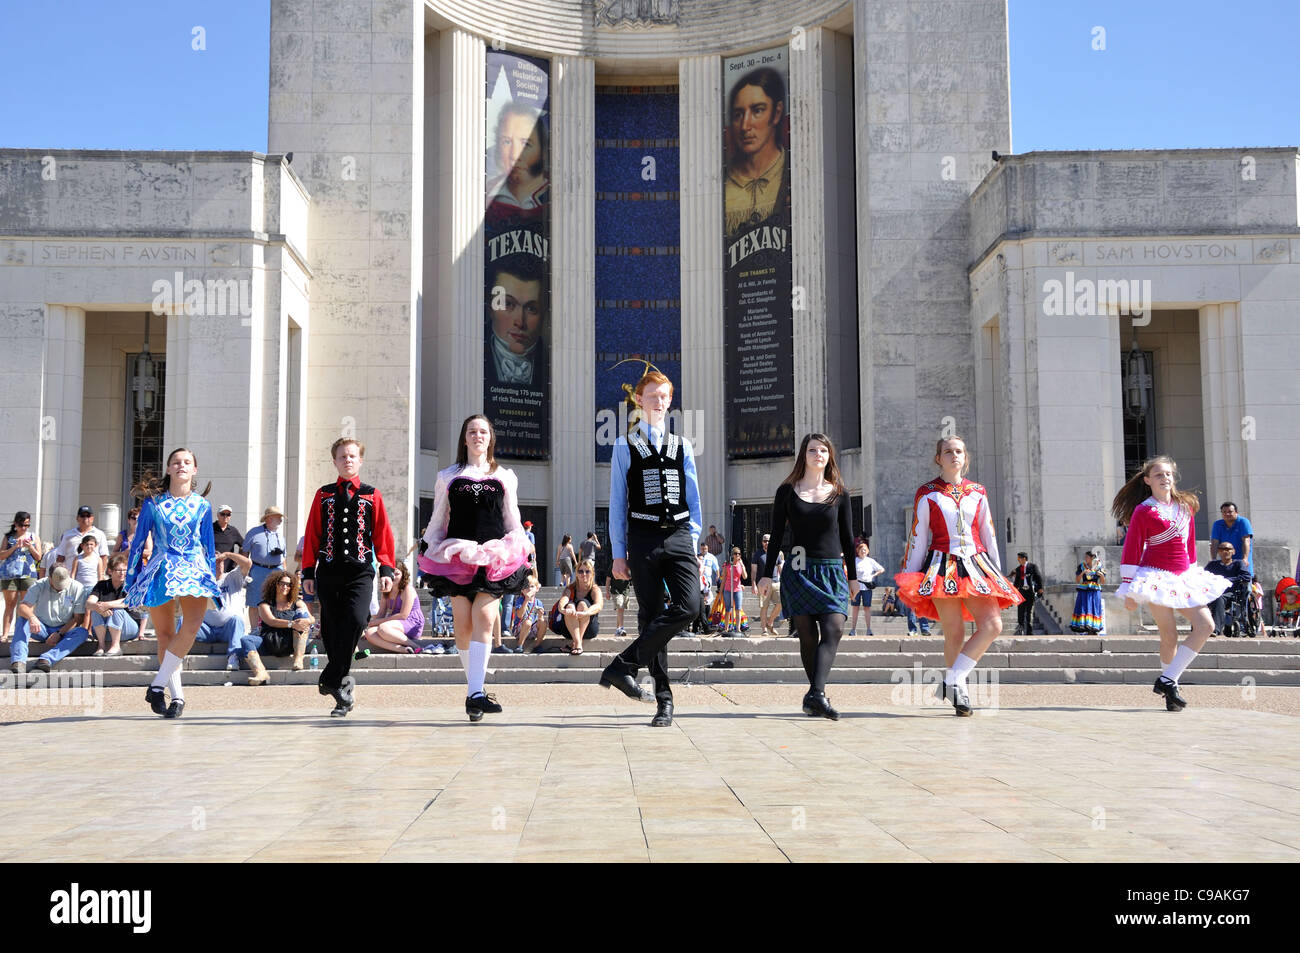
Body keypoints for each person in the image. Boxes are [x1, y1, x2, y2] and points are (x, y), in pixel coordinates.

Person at [599, 370, 703, 728]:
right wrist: (617, 553)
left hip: (677, 536)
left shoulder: (683, 445)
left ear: (670, 401)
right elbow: (616, 502)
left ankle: (622, 665)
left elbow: (693, 496)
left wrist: (693, 537)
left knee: (690, 606)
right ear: (639, 400)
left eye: (664, 396)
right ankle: (664, 699)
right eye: (652, 396)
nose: (658, 402)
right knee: (650, 615)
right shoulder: (624, 446)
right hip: (642, 538)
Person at [894, 435, 1022, 716]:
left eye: (959, 451)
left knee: (992, 625)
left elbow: (988, 533)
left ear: (966, 457)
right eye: (948, 452)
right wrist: (908, 577)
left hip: (977, 564)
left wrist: (997, 573)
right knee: (954, 633)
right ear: (938, 458)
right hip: (941, 565)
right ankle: (959, 693)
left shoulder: (978, 491)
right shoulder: (927, 492)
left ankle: (953, 679)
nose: (954, 456)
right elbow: (918, 536)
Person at [419, 415, 531, 721]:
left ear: (490, 438)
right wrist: (427, 545)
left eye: (483, 431)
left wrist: (524, 548)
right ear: (465, 438)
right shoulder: (448, 476)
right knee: (463, 625)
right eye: (472, 431)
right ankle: (475, 693)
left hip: (494, 556)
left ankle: (476, 694)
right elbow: (438, 518)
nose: (478, 435)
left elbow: (512, 519)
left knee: (483, 616)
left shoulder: (505, 476)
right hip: (457, 555)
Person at [1111, 455, 1228, 711]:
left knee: (1206, 625)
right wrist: (1129, 587)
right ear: (1147, 480)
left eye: (1168, 474)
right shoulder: (1144, 510)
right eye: (1158, 475)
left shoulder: (1185, 507)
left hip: (1184, 575)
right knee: (1169, 636)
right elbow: (1132, 549)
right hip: (1155, 577)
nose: (1165, 478)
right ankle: (1171, 691)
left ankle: (1168, 678)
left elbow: (1189, 547)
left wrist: (1193, 574)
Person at [758, 432, 859, 720]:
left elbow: (848, 538)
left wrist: (852, 577)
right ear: (804, 455)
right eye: (813, 450)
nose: (818, 455)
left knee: (834, 628)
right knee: (806, 636)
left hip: (831, 571)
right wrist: (766, 576)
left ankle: (815, 694)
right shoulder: (786, 491)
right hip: (799, 570)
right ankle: (817, 695)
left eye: (823, 451)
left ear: (829, 457)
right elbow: (776, 535)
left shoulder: (840, 493)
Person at [300, 438, 397, 716]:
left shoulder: (371, 494)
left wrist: (387, 569)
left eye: (352, 456)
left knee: (356, 619)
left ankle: (331, 678)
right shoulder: (323, 495)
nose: (348, 460)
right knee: (330, 631)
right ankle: (341, 691)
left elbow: (382, 534)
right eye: (342, 457)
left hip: (361, 570)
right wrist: (308, 570)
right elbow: (313, 534)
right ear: (335, 461)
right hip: (329, 570)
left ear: (360, 460)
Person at [123, 447, 221, 718]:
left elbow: (208, 546)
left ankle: (156, 685)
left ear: (194, 469)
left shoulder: (203, 505)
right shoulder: (153, 504)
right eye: (176, 462)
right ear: (168, 469)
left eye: (187, 462)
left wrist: (211, 575)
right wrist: (132, 579)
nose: (181, 465)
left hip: (193, 567)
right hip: (162, 567)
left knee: (191, 626)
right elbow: (139, 542)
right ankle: (177, 697)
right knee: (165, 635)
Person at [724, 66, 790, 240]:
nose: (745, 126)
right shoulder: (724, 182)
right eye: (738, 114)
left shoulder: (792, 171)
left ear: (776, 113)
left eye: (757, 110)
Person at [485, 101, 549, 229]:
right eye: (507, 142)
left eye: (525, 144)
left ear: (542, 149)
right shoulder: (486, 193)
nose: (514, 155)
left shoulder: (555, 196)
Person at [486, 256, 547, 388]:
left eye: (531, 308)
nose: (520, 322)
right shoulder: (474, 357)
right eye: (508, 304)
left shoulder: (551, 365)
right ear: (490, 307)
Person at [243, 570, 314, 685]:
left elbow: (312, 619)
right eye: (282, 583)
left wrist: (305, 621)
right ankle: (260, 672)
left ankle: (298, 658)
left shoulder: (297, 603)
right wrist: (291, 624)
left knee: (302, 617)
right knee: (246, 640)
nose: (285, 586)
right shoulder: (264, 604)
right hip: (270, 641)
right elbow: (271, 621)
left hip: (293, 641)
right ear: (275, 584)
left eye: (289, 584)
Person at [194, 550, 253, 671]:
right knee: (183, 620)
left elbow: (247, 563)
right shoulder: (202, 582)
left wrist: (227, 555)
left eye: (220, 562)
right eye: (215, 562)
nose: (218, 565)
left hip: (228, 629)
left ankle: (233, 657)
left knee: (237, 620)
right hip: (207, 630)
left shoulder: (232, 577)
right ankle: (177, 658)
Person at [361, 562, 425, 654]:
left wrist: (377, 622)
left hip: (411, 622)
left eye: (397, 574)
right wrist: (370, 626)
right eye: (392, 573)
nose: (394, 577)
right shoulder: (387, 591)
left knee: (383, 628)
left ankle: (415, 646)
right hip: (392, 624)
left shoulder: (407, 589)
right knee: (370, 633)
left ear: (403, 575)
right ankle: (403, 649)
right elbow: (381, 614)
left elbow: (403, 615)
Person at [242, 506, 287, 633]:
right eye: (278, 517)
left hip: (277, 571)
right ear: (269, 518)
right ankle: (255, 629)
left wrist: (285, 574)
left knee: (278, 600)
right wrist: (244, 572)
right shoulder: (254, 532)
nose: (280, 520)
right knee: (254, 601)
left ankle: (274, 628)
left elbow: (283, 557)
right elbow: (244, 552)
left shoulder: (280, 536)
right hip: (258, 570)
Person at [86, 553, 140, 656]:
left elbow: (126, 602)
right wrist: (99, 608)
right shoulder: (101, 585)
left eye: (124, 570)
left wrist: (107, 605)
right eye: (119, 570)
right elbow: (89, 603)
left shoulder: (131, 586)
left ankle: (116, 646)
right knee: (95, 610)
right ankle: (101, 646)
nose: (122, 573)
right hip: (105, 632)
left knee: (117, 610)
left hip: (128, 630)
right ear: (110, 571)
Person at [1, 511, 42, 638]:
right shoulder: (9, 537)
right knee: (10, 605)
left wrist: (30, 547)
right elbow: (1, 555)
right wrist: (14, 547)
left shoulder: (33, 537)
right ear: (15, 524)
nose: (24, 528)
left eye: (27, 525)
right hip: (10, 574)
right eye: (21, 525)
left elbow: (38, 557)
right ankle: (5, 633)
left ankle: (25, 634)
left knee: (26, 605)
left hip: (28, 574)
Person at [552, 558, 603, 655]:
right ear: (576, 574)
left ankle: (576, 643)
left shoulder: (595, 589)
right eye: (580, 571)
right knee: (570, 606)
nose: (584, 574)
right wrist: (562, 609)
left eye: (587, 571)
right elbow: (564, 599)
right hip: (569, 629)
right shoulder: (570, 588)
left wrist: (586, 612)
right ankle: (578, 643)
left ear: (592, 574)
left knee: (583, 604)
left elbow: (599, 605)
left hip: (589, 628)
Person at [1203, 542, 1251, 635]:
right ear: (1218, 552)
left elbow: (1246, 577)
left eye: (1228, 549)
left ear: (1233, 551)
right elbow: (1202, 576)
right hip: (1212, 592)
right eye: (1222, 549)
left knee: (1219, 598)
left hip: (1231, 593)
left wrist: (1227, 580)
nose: (1225, 551)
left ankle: (1216, 630)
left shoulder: (1238, 563)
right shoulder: (1213, 565)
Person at [849, 539, 884, 637]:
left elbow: (881, 569)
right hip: (856, 586)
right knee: (855, 607)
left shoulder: (870, 561)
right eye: (861, 550)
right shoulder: (855, 560)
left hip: (867, 587)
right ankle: (853, 629)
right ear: (858, 551)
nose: (863, 551)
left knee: (867, 607)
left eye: (865, 550)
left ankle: (869, 629)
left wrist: (873, 575)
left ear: (867, 551)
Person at [1210, 502, 1254, 577]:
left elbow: (1246, 541)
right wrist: (1213, 559)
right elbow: (1214, 543)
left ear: (1236, 512)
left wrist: (1245, 558)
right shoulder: (1217, 524)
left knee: (1244, 584)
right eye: (1224, 512)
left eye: (1230, 512)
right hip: (1225, 564)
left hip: (1241, 563)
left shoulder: (1243, 522)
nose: (1227, 514)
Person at [1069, 551, 1108, 634]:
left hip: (1095, 590)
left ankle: (1094, 627)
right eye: (1085, 557)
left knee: (1094, 607)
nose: (1085, 558)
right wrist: (1083, 572)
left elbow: (1103, 582)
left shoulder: (1099, 566)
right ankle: (1084, 625)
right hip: (1084, 590)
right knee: (1084, 607)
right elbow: (1077, 580)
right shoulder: (1082, 566)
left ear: (1092, 558)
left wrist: (1101, 575)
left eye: (1087, 557)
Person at [1011, 552, 1045, 634]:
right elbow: (1016, 582)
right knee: (1020, 611)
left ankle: (1029, 631)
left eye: (1019, 558)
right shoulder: (1018, 569)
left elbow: (1038, 577)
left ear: (1024, 558)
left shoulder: (1032, 567)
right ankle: (1020, 629)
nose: (1018, 560)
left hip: (1030, 592)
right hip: (1022, 592)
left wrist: (1041, 588)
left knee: (1029, 611)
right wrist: (1013, 592)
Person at [512, 574, 547, 652]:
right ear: (522, 590)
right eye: (526, 586)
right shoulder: (520, 600)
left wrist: (540, 615)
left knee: (544, 622)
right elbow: (520, 615)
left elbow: (540, 620)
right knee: (528, 622)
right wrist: (526, 600)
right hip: (520, 629)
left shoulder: (539, 602)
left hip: (532, 629)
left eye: (531, 586)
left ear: (537, 588)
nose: (529, 589)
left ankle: (537, 645)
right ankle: (519, 645)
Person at [720, 547, 748, 634]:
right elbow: (723, 578)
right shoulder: (727, 564)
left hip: (737, 589)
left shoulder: (740, 564)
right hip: (728, 589)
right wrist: (720, 592)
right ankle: (726, 628)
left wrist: (742, 565)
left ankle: (738, 628)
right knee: (728, 609)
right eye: (736, 554)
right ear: (732, 555)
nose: (738, 555)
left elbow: (745, 577)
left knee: (738, 609)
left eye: (739, 554)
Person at [212, 504, 243, 574]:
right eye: (223, 514)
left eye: (228, 514)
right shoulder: (210, 529)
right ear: (218, 515)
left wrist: (237, 562)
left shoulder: (233, 531)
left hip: (228, 571)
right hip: (211, 568)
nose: (225, 517)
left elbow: (243, 546)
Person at [607, 572, 631, 637]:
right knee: (620, 608)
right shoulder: (614, 564)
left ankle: (618, 629)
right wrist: (607, 592)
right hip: (616, 591)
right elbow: (608, 579)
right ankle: (621, 628)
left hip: (625, 591)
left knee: (621, 610)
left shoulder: (629, 564)